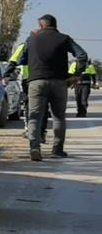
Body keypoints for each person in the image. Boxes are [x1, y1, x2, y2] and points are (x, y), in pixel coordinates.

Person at [13, 14, 88, 161]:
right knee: (59, 117)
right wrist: (77, 74)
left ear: (41, 26)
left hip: (36, 82)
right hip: (59, 83)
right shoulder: (64, 38)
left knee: (34, 116)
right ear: (55, 25)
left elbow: (21, 59)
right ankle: (57, 150)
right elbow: (82, 55)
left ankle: (34, 147)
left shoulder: (31, 39)